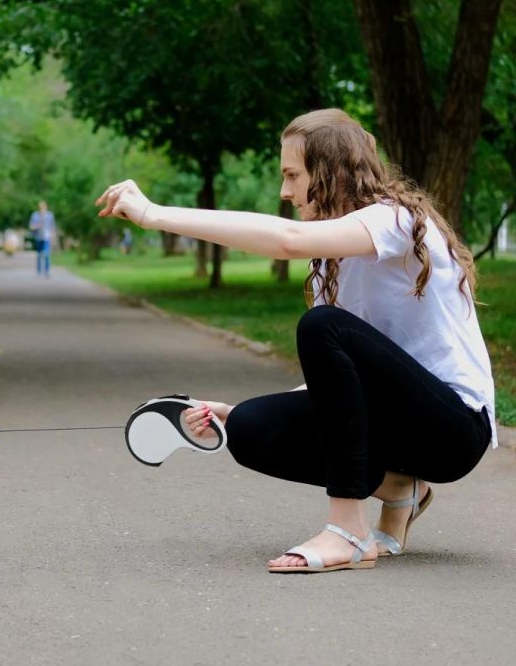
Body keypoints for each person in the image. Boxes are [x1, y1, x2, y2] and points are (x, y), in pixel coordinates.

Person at [96, 108, 495, 574]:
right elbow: (344, 379)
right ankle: (401, 489)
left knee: (322, 325)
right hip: (397, 424)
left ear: (331, 171)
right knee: (247, 428)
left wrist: (153, 214)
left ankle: (348, 530)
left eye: (292, 175)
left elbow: (287, 240)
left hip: (453, 431)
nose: (285, 192)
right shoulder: (331, 263)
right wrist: (235, 410)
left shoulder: (396, 220)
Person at [29, 200, 56, 277]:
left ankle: (47, 271)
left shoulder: (49, 215)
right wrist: (37, 226)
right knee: (39, 255)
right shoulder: (35, 215)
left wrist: (53, 236)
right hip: (38, 237)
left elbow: (52, 226)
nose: (42, 208)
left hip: (47, 237)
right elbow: (31, 226)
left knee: (46, 254)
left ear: (46, 207)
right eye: (41, 207)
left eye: (43, 207)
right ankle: (39, 271)